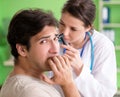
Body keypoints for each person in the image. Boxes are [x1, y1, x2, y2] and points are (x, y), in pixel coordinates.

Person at [0, 8, 81, 97]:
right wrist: (68, 84)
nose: (55, 50)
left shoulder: (28, 81)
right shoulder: (30, 91)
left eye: (55, 38)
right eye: (44, 41)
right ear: (22, 50)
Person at [43, 0, 117, 97]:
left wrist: (80, 69)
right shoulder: (54, 38)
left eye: (73, 29)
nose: (64, 33)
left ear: (88, 27)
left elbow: (105, 94)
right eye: (62, 24)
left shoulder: (103, 46)